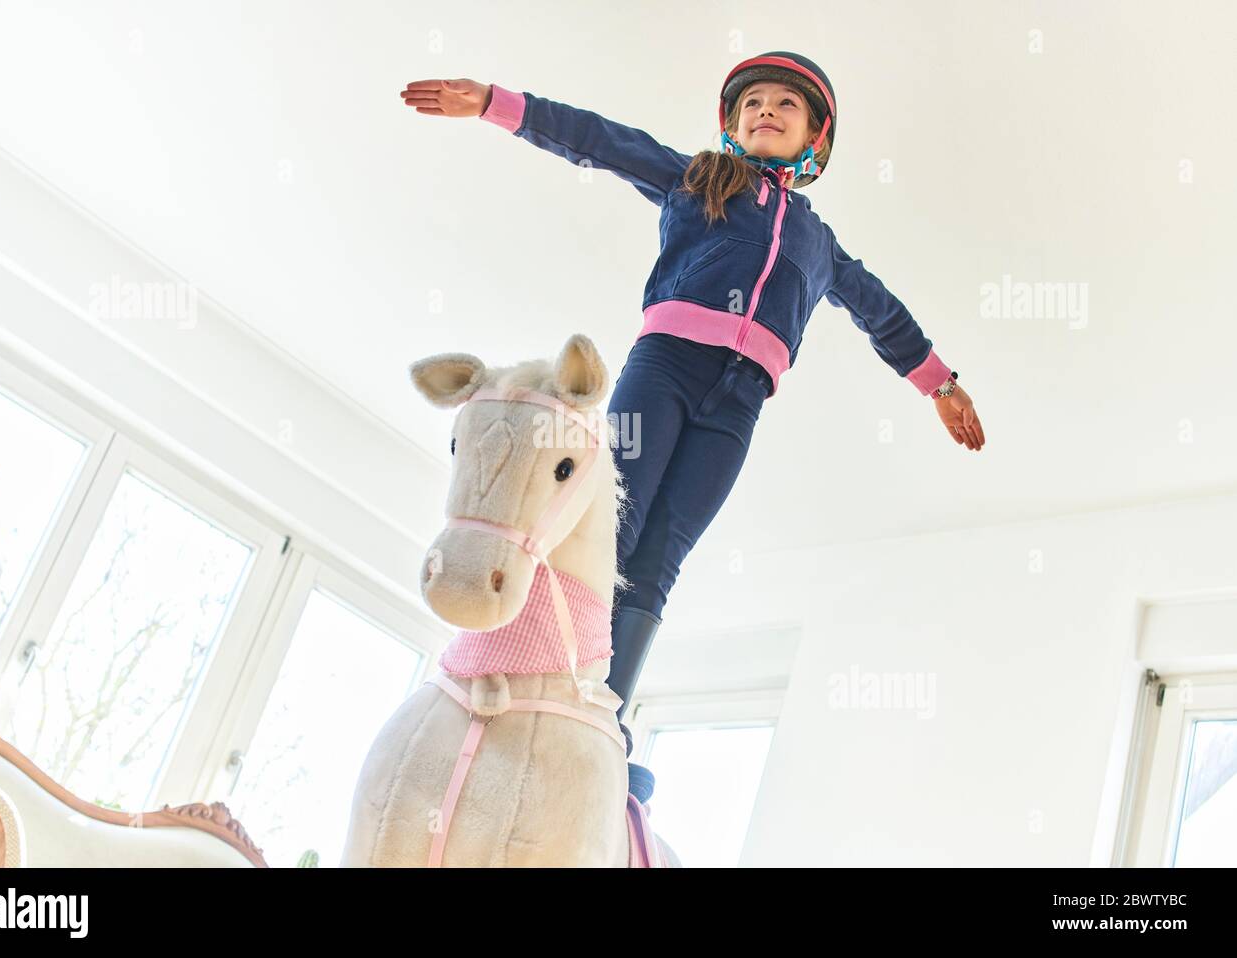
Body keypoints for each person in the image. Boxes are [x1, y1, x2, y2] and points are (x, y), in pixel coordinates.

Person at [400, 51, 985, 803]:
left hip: (740, 402)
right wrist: (493, 103)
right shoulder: (698, 180)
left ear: (815, 139)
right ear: (733, 126)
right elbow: (601, 140)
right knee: (612, 520)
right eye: (753, 105)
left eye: (785, 106)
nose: (766, 111)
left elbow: (881, 311)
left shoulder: (821, 246)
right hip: (667, 368)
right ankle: (514, 660)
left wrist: (939, 382)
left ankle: (596, 710)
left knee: (660, 556)